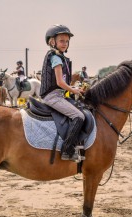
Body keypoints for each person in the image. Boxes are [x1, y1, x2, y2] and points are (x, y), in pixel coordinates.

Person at [39, 24, 85, 162]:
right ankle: (67, 150)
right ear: (52, 42)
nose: (64, 44)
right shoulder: (56, 58)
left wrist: (75, 89)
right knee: (79, 116)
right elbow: (59, 82)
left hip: (58, 94)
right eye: (61, 41)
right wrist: (74, 90)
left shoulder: (62, 57)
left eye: (66, 41)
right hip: (52, 96)